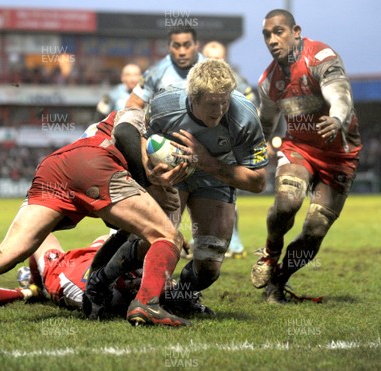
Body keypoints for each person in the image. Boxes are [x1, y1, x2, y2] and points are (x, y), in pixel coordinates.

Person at [0, 108, 191, 328]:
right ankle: (146, 303)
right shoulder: (137, 120)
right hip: (93, 163)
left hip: (55, 167)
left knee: (6, 252)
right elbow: (128, 136)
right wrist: (151, 186)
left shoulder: (124, 134)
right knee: (168, 237)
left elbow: (114, 221)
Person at [251, 9, 362, 304]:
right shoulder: (268, 81)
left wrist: (337, 119)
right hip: (299, 149)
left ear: (296, 31)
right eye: (266, 35)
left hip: (340, 154)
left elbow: (340, 95)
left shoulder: (321, 57)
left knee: (315, 229)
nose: (272, 40)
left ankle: (279, 279)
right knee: (287, 201)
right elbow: (265, 123)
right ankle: (271, 252)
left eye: (279, 32)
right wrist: (249, 149)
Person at [145, 58, 268, 314]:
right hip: (173, 175)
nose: (220, 109)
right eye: (213, 103)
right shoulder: (163, 106)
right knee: (153, 242)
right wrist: (151, 174)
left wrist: (207, 162)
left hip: (216, 178)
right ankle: (113, 285)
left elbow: (258, 182)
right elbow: (139, 143)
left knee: (209, 267)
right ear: (193, 96)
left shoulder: (244, 116)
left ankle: (180, 297)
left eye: (225, 101)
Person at [201, 40, 257, 260]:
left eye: (218, 58)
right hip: (198, 146)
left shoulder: (238, 83)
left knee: (227, 196)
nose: (214, 62)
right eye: (209, 58)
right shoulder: (193, 82)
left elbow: (253, 113)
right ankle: (202, 239)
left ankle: (233, 241)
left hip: (227, 148)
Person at [126, 26, 203, 109]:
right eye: (176, 46)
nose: (182, 52)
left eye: (187, 45)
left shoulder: (213, 70)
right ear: (169, 47)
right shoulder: (155, 72)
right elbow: (133, 104)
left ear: (196, 45)